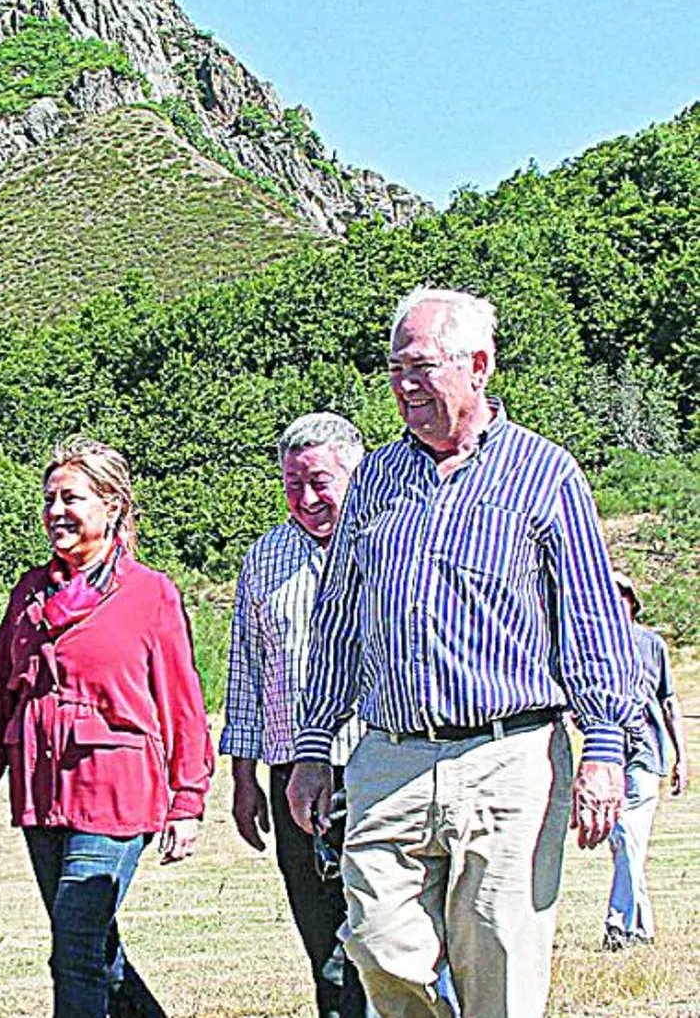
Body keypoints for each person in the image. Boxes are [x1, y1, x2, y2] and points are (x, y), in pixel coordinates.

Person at [288, 287, 638, 1018]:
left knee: (500, 970)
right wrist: (314, 745)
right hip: (391, 753)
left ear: (478, 365)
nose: (404, 384)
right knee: (379, 942)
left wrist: (605, 743)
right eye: (395, 367)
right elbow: (340, 620)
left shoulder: (545, 475)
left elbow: (590, 618)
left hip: (508, 757)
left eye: (422, 365)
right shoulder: (377, 479)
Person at [0, 437, 211, 1018]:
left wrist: (188, 800)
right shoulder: (28, 593)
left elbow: (182, 706)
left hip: (116, 792)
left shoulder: (150, 594)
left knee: (73, 945)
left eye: (71, 498)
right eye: (49, 499)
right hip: (40, 795)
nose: (55, 511)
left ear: (112, 506)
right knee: (96, 950)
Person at [219, 412, 367, 1018]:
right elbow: (245, 673)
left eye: (321, 481)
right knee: (322, 937)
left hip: (377, 764)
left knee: (389, 933)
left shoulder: (388, 543)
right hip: (291, 777)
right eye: (292, 484)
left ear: (356, 475)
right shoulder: (265, 557)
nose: (307, 498)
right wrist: (244, 779)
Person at [604, 572, 688, 951]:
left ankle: (617, 925)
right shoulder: (598, 647)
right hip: (608, 760)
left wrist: (682, 759)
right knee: (625, 844)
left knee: (625, 838)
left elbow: (669, 702)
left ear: (633, 603)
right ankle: (643, 928)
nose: (615, 601)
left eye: (622, 595)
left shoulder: (651, 645)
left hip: (645, 755)